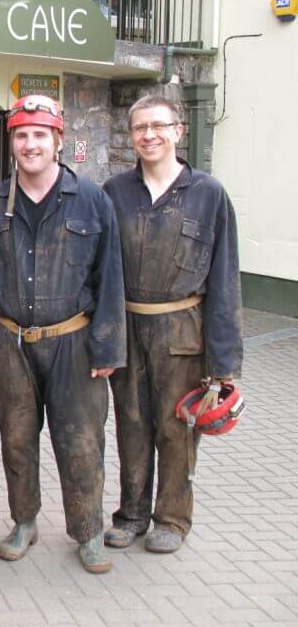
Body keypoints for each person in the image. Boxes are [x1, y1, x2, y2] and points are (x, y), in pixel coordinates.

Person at [0, 94, 126, 574]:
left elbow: (109, 277)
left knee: (80, 441)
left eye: (39, 134)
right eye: (20, 135)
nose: (29, 144)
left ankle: (87, 530)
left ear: (58, 139)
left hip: (75, 343)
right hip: (9, 342)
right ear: (11, 142)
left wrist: (108, 345)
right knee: (16, 440)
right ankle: (24, 520)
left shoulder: (93, 201)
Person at [103, 96, 243, 554]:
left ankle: (173, 520)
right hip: (128, 328)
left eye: (158, 126)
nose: (149, 135)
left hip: (184, 333)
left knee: (176, 430)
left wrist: (223, 364)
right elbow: (100, 273)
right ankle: (131, 515)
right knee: (131, 425)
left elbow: (224, 279)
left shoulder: (209, 194)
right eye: (140, 127)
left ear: (178, 131)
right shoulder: (114, 193)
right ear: (131, 135)